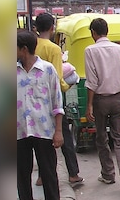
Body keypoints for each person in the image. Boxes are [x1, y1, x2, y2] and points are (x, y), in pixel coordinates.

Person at [17, 31, 77, 200]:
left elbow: (57, 103)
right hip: (18, 132)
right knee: (22, 175)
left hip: (44, 130)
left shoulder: (47, 70)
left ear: (24, 49)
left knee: (49, 173)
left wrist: (59, 131)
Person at [84, 17, 120, 194]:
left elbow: (91, 81)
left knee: (101, 138)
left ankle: (108, 173)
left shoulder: (90, 51)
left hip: (100, 99)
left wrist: (89, 105)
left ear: (93, 32)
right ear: (107, 31)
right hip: (118, 98)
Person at [33, 12, 84, 188]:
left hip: (36, 99)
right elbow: (57, 78)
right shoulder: (53, 49)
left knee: (41, 139)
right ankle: (73, 174)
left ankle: (42, 176)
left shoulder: (32, 45)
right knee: (64, 136)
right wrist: (70, 84)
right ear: (52, 28)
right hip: (53, 100)